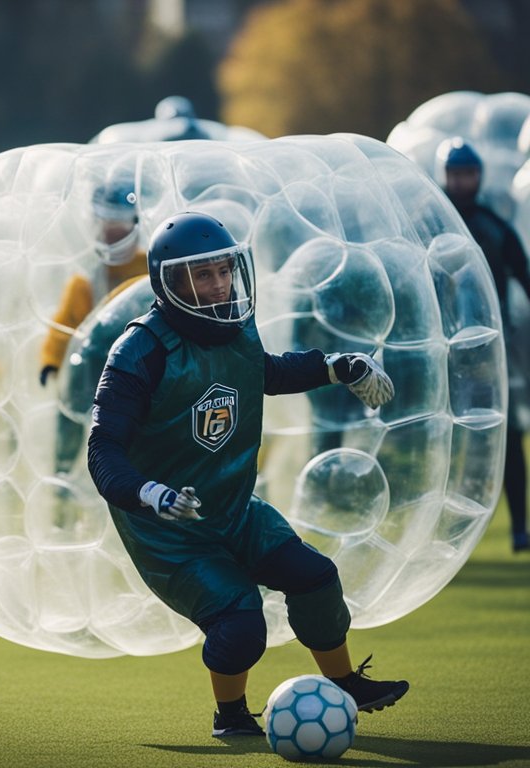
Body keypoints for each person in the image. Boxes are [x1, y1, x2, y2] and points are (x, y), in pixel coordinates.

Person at [86, 211, 410, 738]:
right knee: (240, 622)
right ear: (169, 281)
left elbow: (266, 373)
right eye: (202, 275)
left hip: (233, 509)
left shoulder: (236, 327)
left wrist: (337, 365)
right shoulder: (139, 350)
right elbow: (102, 450)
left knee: (315, 578)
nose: (218, 286)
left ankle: (346, 681)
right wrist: (151, 494)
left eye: (223, 271)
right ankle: (231, 717)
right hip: (168, 533)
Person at [439, 137, 530, 553]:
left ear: (479, 176)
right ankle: (446, 533)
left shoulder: (494, 226)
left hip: (492, 352)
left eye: (469, 173)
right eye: (456, 173)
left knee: (506, 435)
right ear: (445, 176)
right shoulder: (431, 226)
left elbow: (523, 273)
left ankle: (519, 529)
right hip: (442, 353)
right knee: (449, 438)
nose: (462, 181)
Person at [39, 177, 148, 478]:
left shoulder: (148, 270)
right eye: (106, 227)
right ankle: (64, 469)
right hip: (91, 368)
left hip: (138, 365)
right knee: (72, 414)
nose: (112, 235)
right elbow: (65, 324)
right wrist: (51, 360)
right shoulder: (87, 280)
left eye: (120, 227)